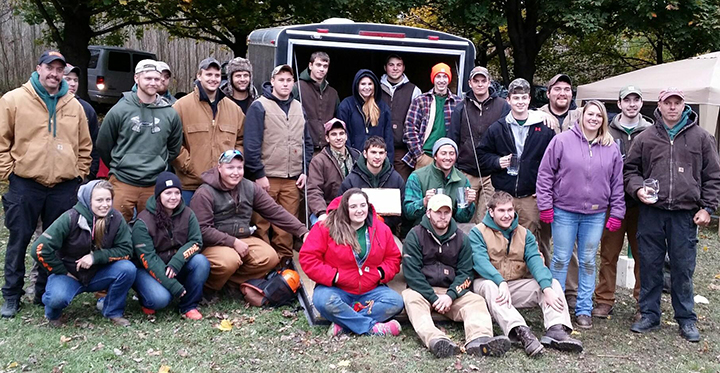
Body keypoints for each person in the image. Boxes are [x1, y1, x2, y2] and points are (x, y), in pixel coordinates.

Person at [0, 51, 92, 317]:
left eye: (59, 69)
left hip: (63, 186)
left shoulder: (73, 105)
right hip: (26, 184)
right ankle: (12, 295)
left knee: (55, 243)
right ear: (38, 68)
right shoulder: (14, 100)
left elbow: (85, 145)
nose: (54, 74)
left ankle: (43, 291)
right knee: (19, 240)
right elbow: (2, 140)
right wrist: (9, 172)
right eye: (49, 68)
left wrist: (79, 174)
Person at [625, 88, 720, 342]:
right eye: (668, 103)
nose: (673, 107)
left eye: (677, 103)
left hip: (685, 214)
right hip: (651, 212)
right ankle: (649, 314)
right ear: (660, 105)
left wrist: (707, 207)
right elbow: (630, 170)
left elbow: (713, 176)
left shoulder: (701, 138)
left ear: (684, 105)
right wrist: (637, 188)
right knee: (649, 264)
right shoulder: (645, 138)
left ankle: (686, 319)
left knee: (682, 267)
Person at [536, 100, 625, 329]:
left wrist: (616, 211)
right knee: (560, 259)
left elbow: (617, 184)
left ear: (604, 120)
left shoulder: (611, 146)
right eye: (590, 114)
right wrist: (546, 206)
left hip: (595, 214)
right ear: (582, 116)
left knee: (587, 260)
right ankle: (556, 308)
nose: (594, 118)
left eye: (599, 115)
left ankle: (583, 308)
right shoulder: (562, 141)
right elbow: (546, 174)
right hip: (564, 210)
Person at [470, 191, 583, 356]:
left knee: (552, 284)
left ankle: (556, 330)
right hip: (485, 288)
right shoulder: (477, 232)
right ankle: (521, 331)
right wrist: (500, 282)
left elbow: (535, 261)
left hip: (513, 287)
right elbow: (480, 262)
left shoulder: (525, 234)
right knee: (489, 286)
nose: (507, 215)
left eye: (510, 210)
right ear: (491, 212)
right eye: (501, 211)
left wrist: (547, 288)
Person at [190, 150, 309, 298]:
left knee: (270, 257)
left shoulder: (250, 187)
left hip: (242, 237)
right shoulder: (205, 193)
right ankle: (208, 288)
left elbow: (275, 212)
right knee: (229, 260)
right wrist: (232, 242)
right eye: (230, 167)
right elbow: (201, 230)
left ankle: (230, 285)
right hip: (212, 243)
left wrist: (303, 231)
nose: (236, 172)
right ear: (219, 168)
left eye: (239, 168)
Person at [403, 194, 511, 358]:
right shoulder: (415, 235)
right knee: (410, 298)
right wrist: (433, 297)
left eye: (446, 212)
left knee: (476, 301)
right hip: (423, 291)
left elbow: (466, 273)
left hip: (451, 291)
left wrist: (450, 295)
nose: (442, 216)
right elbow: (412, 274)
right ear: (428, 213)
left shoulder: (461, 238)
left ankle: (479, 339)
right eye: (438, 212)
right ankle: (437, 341)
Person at [299, 189, 403, 336]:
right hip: (336, 288)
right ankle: (372, 328)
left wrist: (379, 273)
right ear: (345, 208)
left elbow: (393, 258)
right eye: (353, 207)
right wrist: (335, 276)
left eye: (363, 205)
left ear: (368, 206)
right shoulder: (325, 228)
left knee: (395, 302)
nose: (359, 210)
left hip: (370, 289)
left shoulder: (381, 229)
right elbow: (308, 258)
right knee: (324, 301)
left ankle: (344, 324)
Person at [31, 181, 136, 326]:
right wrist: (61, 271)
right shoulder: (70, 218)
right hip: (69, 274)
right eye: (99, 200)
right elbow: (39, 248)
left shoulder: (116, 218)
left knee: (127, 268)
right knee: (57, 298)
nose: (104, 204)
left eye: (108, 199)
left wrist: (95, 257)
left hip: (98, 273)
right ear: (88, 200)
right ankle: (54, 315)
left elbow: (126, 249)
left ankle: (113, 311)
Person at [476, 78, 555, 268]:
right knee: (500, 239)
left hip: (531, 197)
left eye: (523, 97)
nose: (520, 101)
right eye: (515, 97)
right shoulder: (498, 128)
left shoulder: (544, 129)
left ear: (529, 100)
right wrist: (497, 161)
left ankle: (538, 280)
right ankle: (502, 277)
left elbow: (555, 162)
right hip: (504, 194)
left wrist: (546, 188)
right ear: (508, 100)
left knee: (533, 241)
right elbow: (481, 155)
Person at [96, 59, 183, 222]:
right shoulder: (120, 110)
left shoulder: (170, 113)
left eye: (157, 79)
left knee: (153, 230)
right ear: (136, 78)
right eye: (148, 78)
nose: (153, 83)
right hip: (123, 180)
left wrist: (158, 162)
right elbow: (103, 144)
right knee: (114, 227)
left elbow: (174, 147)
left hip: (154, 183)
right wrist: (121, 162)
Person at [593, 85, 653, 320]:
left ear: (641, 103)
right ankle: (604, 299)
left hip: (642, 204)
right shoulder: (606, 130)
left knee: (643, 255)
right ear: (619, 104)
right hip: (612, 203)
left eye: (635, 99)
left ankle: (643, 302)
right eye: (626, 100)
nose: (631, 104)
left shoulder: (650, 130)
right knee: (609, 253)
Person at [244, 64, 313, 264]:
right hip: (267, 177)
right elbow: (251, 144)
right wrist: (258, 174)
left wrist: (304, 170)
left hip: (292, 179)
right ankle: (261, 263)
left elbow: (306, 141)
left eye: (288, 80)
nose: (285, 83)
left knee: (287, 224)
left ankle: (284, 261)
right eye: (281, 79)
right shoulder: (260, 106)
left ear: (293, 83)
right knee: (262, 222)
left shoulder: (298, 106)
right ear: (272, 81)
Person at [131, 172, 209, 320]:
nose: (173, 197)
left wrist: (177, 261)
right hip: (148, 269)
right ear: (159, 195)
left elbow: (196, 241)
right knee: (161, 299)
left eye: (177, 193)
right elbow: (148, 258)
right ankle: (146, 298)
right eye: (168, 193)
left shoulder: (188, 213)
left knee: (201, 262)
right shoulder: (143, 221)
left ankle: (188, 305)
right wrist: (174, 286)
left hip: (175, 266)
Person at [172, 57, 245, 203]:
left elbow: (241, 140)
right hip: (191, 187)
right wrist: (189, 165)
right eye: (208, 74)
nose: (213, 79)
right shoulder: (181, 107)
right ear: (199, 76)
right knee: (189, 225)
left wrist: (232, 167)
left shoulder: (234, 109)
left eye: (217, 75)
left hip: (224, 187)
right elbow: (172, 142)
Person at [537, 73, 581, 307]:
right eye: (557, 89)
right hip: (544, 190)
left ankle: (571, 291)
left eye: (566, 89)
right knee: (541, 240)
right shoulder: (537, 116)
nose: (562, 93)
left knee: (569, 243)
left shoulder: (581, 116)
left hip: (570, 192)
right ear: (548, 93)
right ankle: (544, 286)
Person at [450, 66, 510, 222]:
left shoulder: (503, 106)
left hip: (491, 174)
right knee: (463, 217)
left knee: (485, 219)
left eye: (483, 80)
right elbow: (453, 139)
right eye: (476, 81)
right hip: (465, 173)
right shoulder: (460, 108)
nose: (480, 84)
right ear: (470, 83)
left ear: (489, 82)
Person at [338, 136, 405, 235]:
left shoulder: (396, 179)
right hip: (354, 232)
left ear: (385, 155)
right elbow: (341, 208)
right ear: (365, 154)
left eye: (381, 153)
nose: (377, 157)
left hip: (387, 232)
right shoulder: (351, 180)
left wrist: (381, 222)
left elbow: (403, 211)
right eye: (373, 152)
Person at [404, 138, 476, 227]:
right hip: (421, 230)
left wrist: (468, 204)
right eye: (443, 153)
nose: (448, 158)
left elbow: (462, 219)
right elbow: (408, 213)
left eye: (452, 154)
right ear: (435, 156)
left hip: (450, 230)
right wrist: (424, 202)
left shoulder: (462, 180)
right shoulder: (417, 177)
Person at [403, 63, 460, 170]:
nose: (441, 80)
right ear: (433, 78)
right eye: (438, 76)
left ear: (449, 79)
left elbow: (462, 132)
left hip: (448, 158)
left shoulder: (458, 103)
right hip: (426, 156)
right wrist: (419, 155)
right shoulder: (421, 100)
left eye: (445, 76)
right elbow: (410, 129)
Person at [307, 119, 361, 224]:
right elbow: (313, 190)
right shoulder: (318, 161)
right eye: (334, 134)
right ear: (327, 138)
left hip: (356, 208)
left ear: (346, 136)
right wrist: (322, 212)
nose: (338, 138)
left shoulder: (357, 156)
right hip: (328, 209)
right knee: (320, 228)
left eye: (341, 133)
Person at [379, 54, 422, 180]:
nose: (395, 68)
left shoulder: (414, 90)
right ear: (385, 68)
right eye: (391, 65)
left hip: (402, 151)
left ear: (403, 68)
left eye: (399, 65)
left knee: (400, 187)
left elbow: (419, 121)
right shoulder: (375, 88)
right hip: (378, 148)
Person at [338, 69, 394, 162]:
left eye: (370, 84)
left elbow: (388, 137)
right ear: (357, 86)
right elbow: (343, 134)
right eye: (363, 84)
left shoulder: (383, 108)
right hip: (353, 159)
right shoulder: (346, 105)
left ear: (375, 86)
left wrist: (389, 163)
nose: (367, 87)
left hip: (377, 160)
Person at [293, 51, 339, 153]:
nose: (322, 69)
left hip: (327, 150)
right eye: (318, 65)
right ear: (310, 65)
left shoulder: (333, 93)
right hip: (303, 149)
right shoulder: (297, 88)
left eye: (325, 66)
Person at [63, 63, 100, 180]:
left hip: (78, 176)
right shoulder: (45, 107)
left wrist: (88, 174)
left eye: (75, 80)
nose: (73, 84)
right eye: (67, 79)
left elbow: (94, 145)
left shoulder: (86, 109)